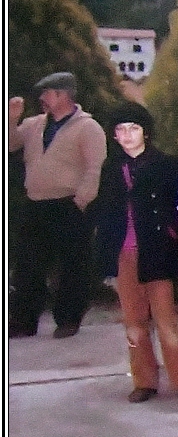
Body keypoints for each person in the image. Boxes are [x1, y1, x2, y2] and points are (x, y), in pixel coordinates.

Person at [93, 102, 178, 404]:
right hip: (124, 253)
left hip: (158, 251)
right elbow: (105, 212)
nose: (127, 136)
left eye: (134, 128)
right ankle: (144, 380)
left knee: (167, 320)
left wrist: (174, 236)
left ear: (146, 132)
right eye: (120, 130)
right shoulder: (112, 169)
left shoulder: (166, 165)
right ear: (113, 136)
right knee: (134, 322)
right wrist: (105, 255)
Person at [8, 72, 107, 339]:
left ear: (64, 95)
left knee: (72, 265)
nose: (42, 99)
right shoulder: (34, 125)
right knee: (28, 265)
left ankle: (68, 318)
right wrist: (12, 118)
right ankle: (23, 319)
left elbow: (94, 168)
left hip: (68, 204)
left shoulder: (88, 128)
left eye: (48, 93)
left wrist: (81, 201)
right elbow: (10, 143)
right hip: (36, 203)